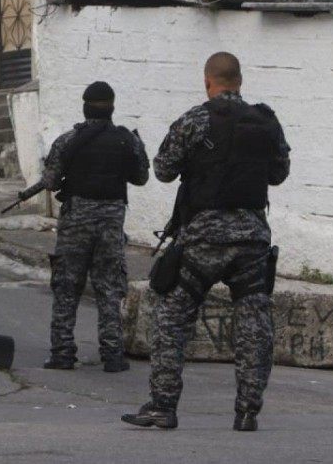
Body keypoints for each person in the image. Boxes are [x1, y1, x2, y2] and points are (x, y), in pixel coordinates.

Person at [123, 52, 290, 432]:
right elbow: (279, 173)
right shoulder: (266, 122)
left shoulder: (194, 120)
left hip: (203, 241)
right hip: (251, 241)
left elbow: (163, 170)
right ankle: (247, 411)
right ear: (240, 82)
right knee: (254, 324)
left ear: (207, 82)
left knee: (172, 317)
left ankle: (163, 405)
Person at [17, 81, 149, 372]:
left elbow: (50, 181)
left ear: (84, 106)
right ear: (112, 107)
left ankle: (63, 352)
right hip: (111, 223)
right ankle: (112, 355)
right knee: (109, 286)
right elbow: (141, 178)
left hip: (76, 221)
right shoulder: (127, 140)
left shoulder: (67, 141)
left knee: (67, 285)